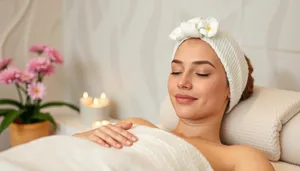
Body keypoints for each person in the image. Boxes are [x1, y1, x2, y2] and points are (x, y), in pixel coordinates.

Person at [73, 17, 275, 171]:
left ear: (229, 88)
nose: (183, 82)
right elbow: (61, 152)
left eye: (201, 73)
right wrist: (90, 137)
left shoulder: (242, 158)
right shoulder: (137, 125)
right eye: (176, 71)